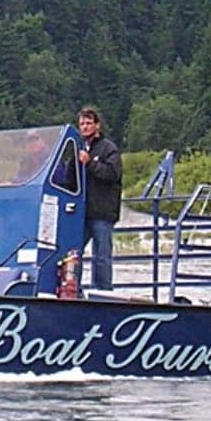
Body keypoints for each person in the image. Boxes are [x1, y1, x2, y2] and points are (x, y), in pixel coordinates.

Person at [76, 106, 123, 291]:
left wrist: (90, 164)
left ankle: (103, 292)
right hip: (81, 212)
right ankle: (73, 291)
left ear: (97, 125)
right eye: (82, 124)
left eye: (89, 123)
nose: (85, 127)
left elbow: (112, 174)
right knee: (73, 253)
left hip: (103, 212)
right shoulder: (77, 146)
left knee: (101, 256)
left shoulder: (108, 148)